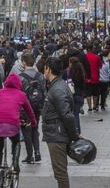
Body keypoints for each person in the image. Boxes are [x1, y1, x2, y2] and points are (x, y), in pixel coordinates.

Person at [42, 57, 79, 188]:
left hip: (57, 133)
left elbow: (67, 115)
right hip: (55, 132)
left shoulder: (57, 88)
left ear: (49, 69)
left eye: (45, 68)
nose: (43, 71)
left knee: (60, 172)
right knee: (59, 171)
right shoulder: (57, 85)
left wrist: (74, 135)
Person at [0, 73, 37, 176]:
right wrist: (33, 123)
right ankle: (15, 163)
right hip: (12, 124)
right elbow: (30, 112)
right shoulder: (21, 94)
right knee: (16, 142)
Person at [19, 53, 46, 164]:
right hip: (37, 107)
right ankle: (37, 152)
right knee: (35, 129)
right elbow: (44, 91)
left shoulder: (21, 76)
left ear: (24, 63)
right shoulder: (40, 76)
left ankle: (30, 155)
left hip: (25, 108)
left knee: (26, 131)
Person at [63, 57, 86, 134]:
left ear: (71, 63)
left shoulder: (66, 72)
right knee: (76, 114)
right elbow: (83, 86)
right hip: (79, 95)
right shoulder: (81, 73)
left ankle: (70, 131)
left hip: (70, 95)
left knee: (69, 114)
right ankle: (77, 131)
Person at [85, 44, 102, 112]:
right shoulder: (96, 57)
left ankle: (89, 108)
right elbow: (100, 66)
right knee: (95, 93)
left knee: (88, 93)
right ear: (92, 49)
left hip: (87, 78)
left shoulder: (84, 57)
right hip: (95, 77)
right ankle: (94, 106)